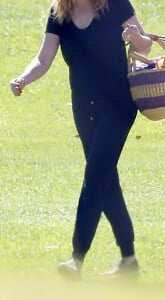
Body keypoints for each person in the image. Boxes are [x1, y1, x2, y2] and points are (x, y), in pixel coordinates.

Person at [10, 0, 152, 279]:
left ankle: (77, 259)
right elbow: (43, 59)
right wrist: (23, 79)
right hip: (84, 108)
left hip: (119, 104)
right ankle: (129, 259)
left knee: (96, 175)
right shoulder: (59, 14)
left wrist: (134, 37)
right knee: (105, 179)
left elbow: (145, 45)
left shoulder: (115, 5)